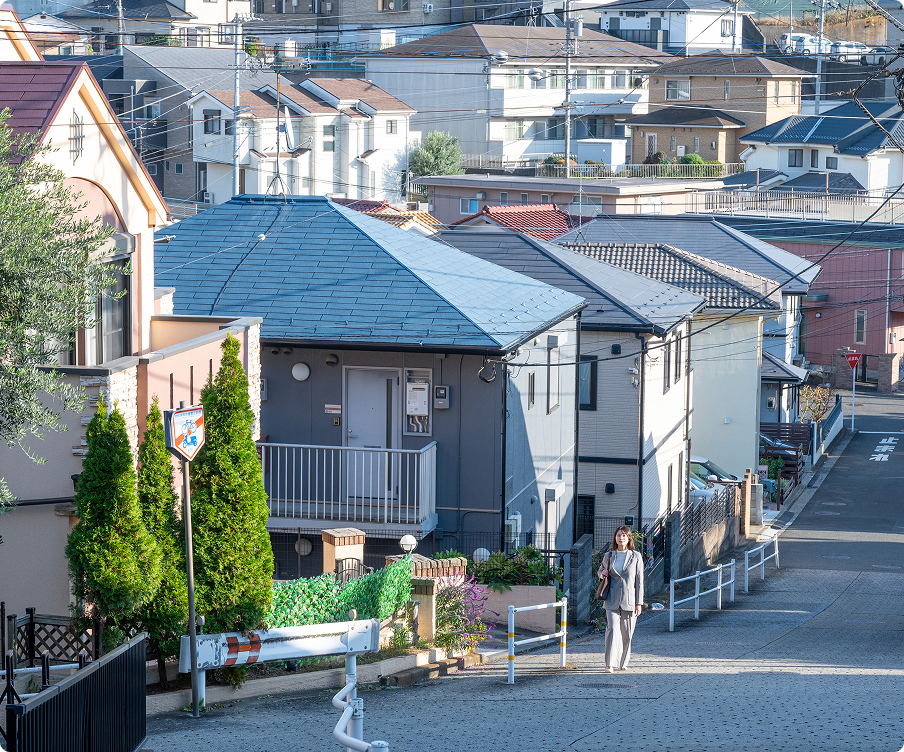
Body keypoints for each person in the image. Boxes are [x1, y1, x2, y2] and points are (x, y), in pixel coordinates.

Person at [597, 526, 644, 673]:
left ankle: (623, 662)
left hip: (630, 601)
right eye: (618, 536)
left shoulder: (636, 556)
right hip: (611, 599)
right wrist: (602, 574)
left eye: (624, 536)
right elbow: (600, 571)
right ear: (615, 538)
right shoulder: (609, 555)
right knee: (612, 630)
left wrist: (639, 603)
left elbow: (639, 581)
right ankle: (609, 664)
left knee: (627, 634)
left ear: (629, 538)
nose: (621, 538)